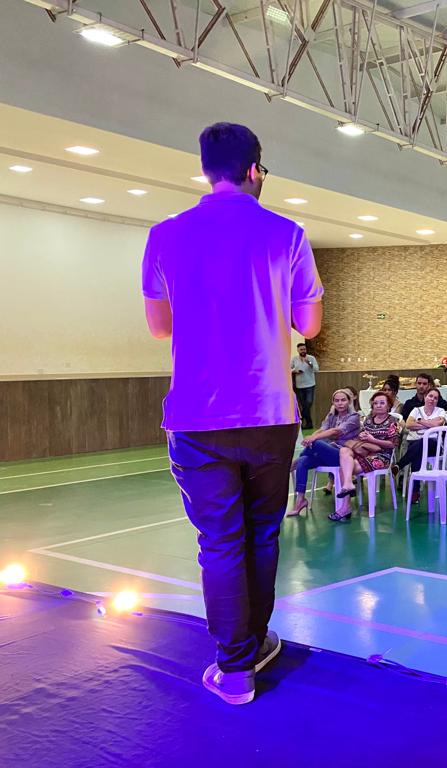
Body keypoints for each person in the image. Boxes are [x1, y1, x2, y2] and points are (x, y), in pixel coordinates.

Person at [142, 122, 323, 705]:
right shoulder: (286, 233)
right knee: (263, 534)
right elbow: (310, 325)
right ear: (254, 170)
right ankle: (256, 638)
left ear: (205, 170)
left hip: (197, 418)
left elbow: (159, 326)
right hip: (270, 413)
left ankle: (235, 666)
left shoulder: (166, 235)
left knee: (220, 542)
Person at [288, 389, 361, 516]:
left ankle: (293, 464)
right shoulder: (332, 415)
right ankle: (300, 500)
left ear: (349, 401)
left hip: (343, 457)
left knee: (316, 443)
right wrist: (310, 437)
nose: (340, 403)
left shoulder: (354, 417)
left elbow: (336, 432)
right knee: (304, 461)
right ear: (333, 402)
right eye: (336, 400)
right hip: (328, 453)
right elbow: (322, 429)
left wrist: (313, 439)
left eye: (343, 400)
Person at [333, 391, 402, 520]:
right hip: (364, 451)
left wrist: (372, 439)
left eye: (382, 403)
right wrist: (361, 436)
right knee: (344, 451)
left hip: (381, 456)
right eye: (376, 403)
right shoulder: (369, 419)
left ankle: (345, 507)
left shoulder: (393, 422)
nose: (378, 405)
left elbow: (392, 444)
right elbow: (361, 435)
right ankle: (348, 484)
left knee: (344, 468)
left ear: (388, 406)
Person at [397, 386, 447, 504]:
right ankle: (415, 492)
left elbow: (438, 425)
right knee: (418, 452)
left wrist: (420, 421)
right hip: (416, 444)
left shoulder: (440, 411)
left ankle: (400, 465)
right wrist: (428, 424)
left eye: (435, 398)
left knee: (423, 441)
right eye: (430, 396)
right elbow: (409, 425)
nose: (432, 399)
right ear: (425, 397)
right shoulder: (416, 410)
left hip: (434, 445)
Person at [290, 342, 320, 429]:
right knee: (303, 405)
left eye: (304, 349)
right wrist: (295, 371)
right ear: (298, 350)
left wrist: (309, 363)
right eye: (301, 349)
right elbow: (289, 368)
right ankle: (309, 424)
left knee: (309, 403)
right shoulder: (294, 359)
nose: (303, 351)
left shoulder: (311, 358)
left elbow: (316, 369)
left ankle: (301, 418)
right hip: (299, 386)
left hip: (310, 384)